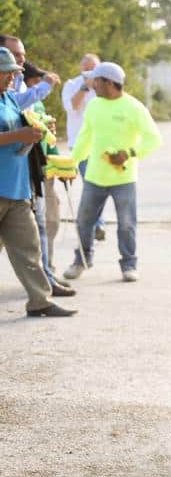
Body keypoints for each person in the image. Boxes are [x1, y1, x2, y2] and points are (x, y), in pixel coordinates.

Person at [64, 62, 162, 283]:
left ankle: (129, 265)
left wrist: (129, 153)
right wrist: (71, 164)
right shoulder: (94, 106)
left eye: (95, 81)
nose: (92, 85)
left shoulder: (134, 108)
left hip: (124, 178)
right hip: (94, 176)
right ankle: (81, 260)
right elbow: (85, 138)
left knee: (127, 224)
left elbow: (154, 138)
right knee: (83, 221)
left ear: (108, 82)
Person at [0, 47, 75, 318]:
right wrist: (19, 134)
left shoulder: (10, 99)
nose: (12, 78)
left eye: (14, 73)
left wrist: (41, 129)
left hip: (17, 188)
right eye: (7, 73)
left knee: (30, 248)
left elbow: (28, 124)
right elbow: (14, 134)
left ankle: (39, 301)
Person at [22, 61, 74, 297]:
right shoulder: (16, 97)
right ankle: (44, 281)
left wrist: (58, 165)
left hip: (42, 170)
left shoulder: (35, 101)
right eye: (36, 82)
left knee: (47, 224)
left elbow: (47, 136)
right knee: (33, 229)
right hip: (23, 175)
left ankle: (46, 277)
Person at [62, 53, 104, 242]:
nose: (90, 72)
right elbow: (73, 106)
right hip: (81, 145)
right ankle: (96, 225)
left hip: (101, 144)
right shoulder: (72, 85)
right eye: (87, 68)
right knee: (91, 185)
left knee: (100, 185)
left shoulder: (105, 86)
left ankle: (96, 223)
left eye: (94, 68)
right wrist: (84, 87)